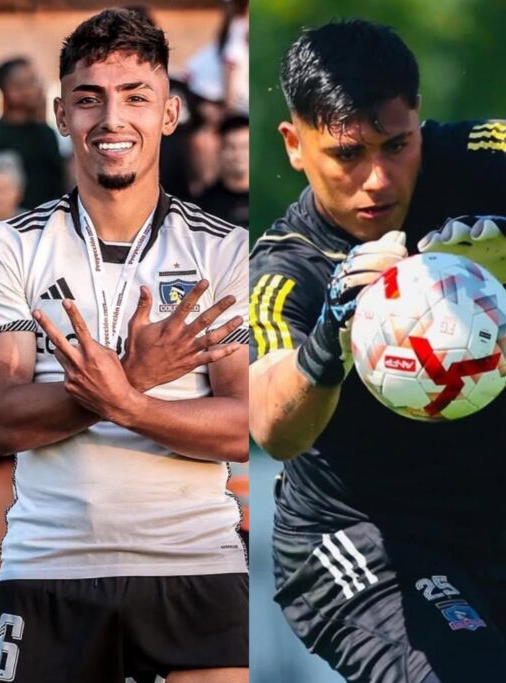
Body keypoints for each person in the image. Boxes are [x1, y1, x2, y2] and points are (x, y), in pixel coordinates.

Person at [0, 9, 250, 682]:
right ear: (60, 113)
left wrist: (128, 404)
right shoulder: (11, 249)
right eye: (89, 98)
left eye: (136, 96)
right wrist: (134, 375)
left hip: (195, 563)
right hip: (50, 566)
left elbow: (243, 424)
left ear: (169, 113)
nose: (112, 119)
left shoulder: (222, 251)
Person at [249, 19, 506, 682]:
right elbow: (273, 425)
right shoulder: (285, 270)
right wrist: (332, 333)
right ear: (295, 144)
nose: (378, 179)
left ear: (419, 119)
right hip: (366, 538)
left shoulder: (482, 159)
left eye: (397, 145)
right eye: (347, 154)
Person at [0, 56, 65, 209]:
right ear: (11, 91)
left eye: (38, 81)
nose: (40, 88)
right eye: (32, 82)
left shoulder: (47, 133)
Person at [199, 113, 249, 227]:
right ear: (220, 150)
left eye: (245, 147)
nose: (238, 155)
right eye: (231, 147)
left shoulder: (268, 198)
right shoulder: (204, 206)